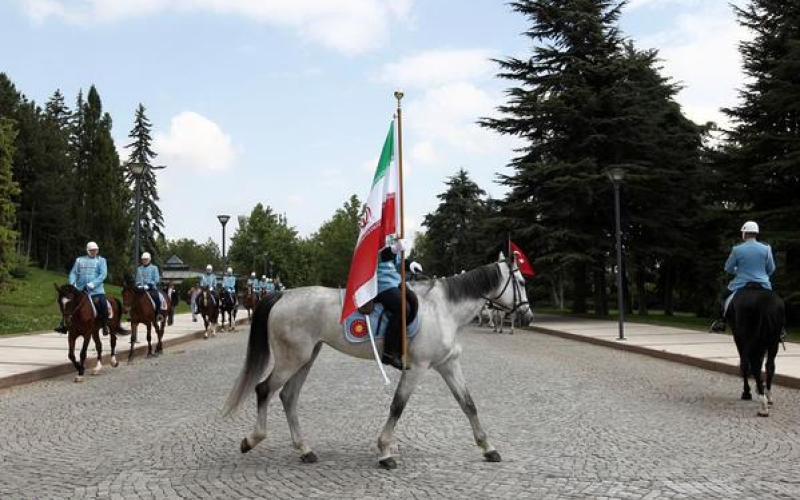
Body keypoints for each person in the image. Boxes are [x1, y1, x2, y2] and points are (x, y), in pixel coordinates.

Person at [710, 221, 776, 333]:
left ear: (744, 233)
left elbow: (728, 268)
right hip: (763, 284)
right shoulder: (766, 248)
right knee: (774, 304)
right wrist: (762, 276)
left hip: (741, 283)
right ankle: (780, 330)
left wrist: (737, 270)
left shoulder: (737, 249)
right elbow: (771, 268)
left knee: (722, 297)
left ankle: (721, 322)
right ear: (756, 233)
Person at [373, 237, 418, 370]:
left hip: (395, 282)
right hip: (381, 283)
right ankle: (389, 353)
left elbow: (398, 262)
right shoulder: (374, 235)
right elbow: (378, 257)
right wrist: (393, 250)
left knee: (414, 302)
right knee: (403, 308)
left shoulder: (390, 238)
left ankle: (402, 341)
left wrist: (410, 264)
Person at [56, 241, 111, 335]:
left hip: (96, 290)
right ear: (88, 251)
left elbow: (103, 275)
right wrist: (73, 284)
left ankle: (104, 325)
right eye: (91, 250)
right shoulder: (79, 260)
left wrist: (92, 284)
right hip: (80, 290)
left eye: (95, 250)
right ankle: (63, 324)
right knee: (68, 304)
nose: (94, 252)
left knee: (103, 304)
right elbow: (73, 273)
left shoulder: (101, 260)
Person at [135, 252, 163, 322]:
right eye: (143, 259)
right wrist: (139, 285)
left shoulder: (154, 268)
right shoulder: (139, 269)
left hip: (151, 287)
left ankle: (158, 314)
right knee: (133, 297)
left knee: (156, 297)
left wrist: (149, 285)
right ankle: (134, 314)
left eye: (146, 259)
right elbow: (137, 279)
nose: (144, 261)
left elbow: (156, 279)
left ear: (149, 260)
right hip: (141, 287)